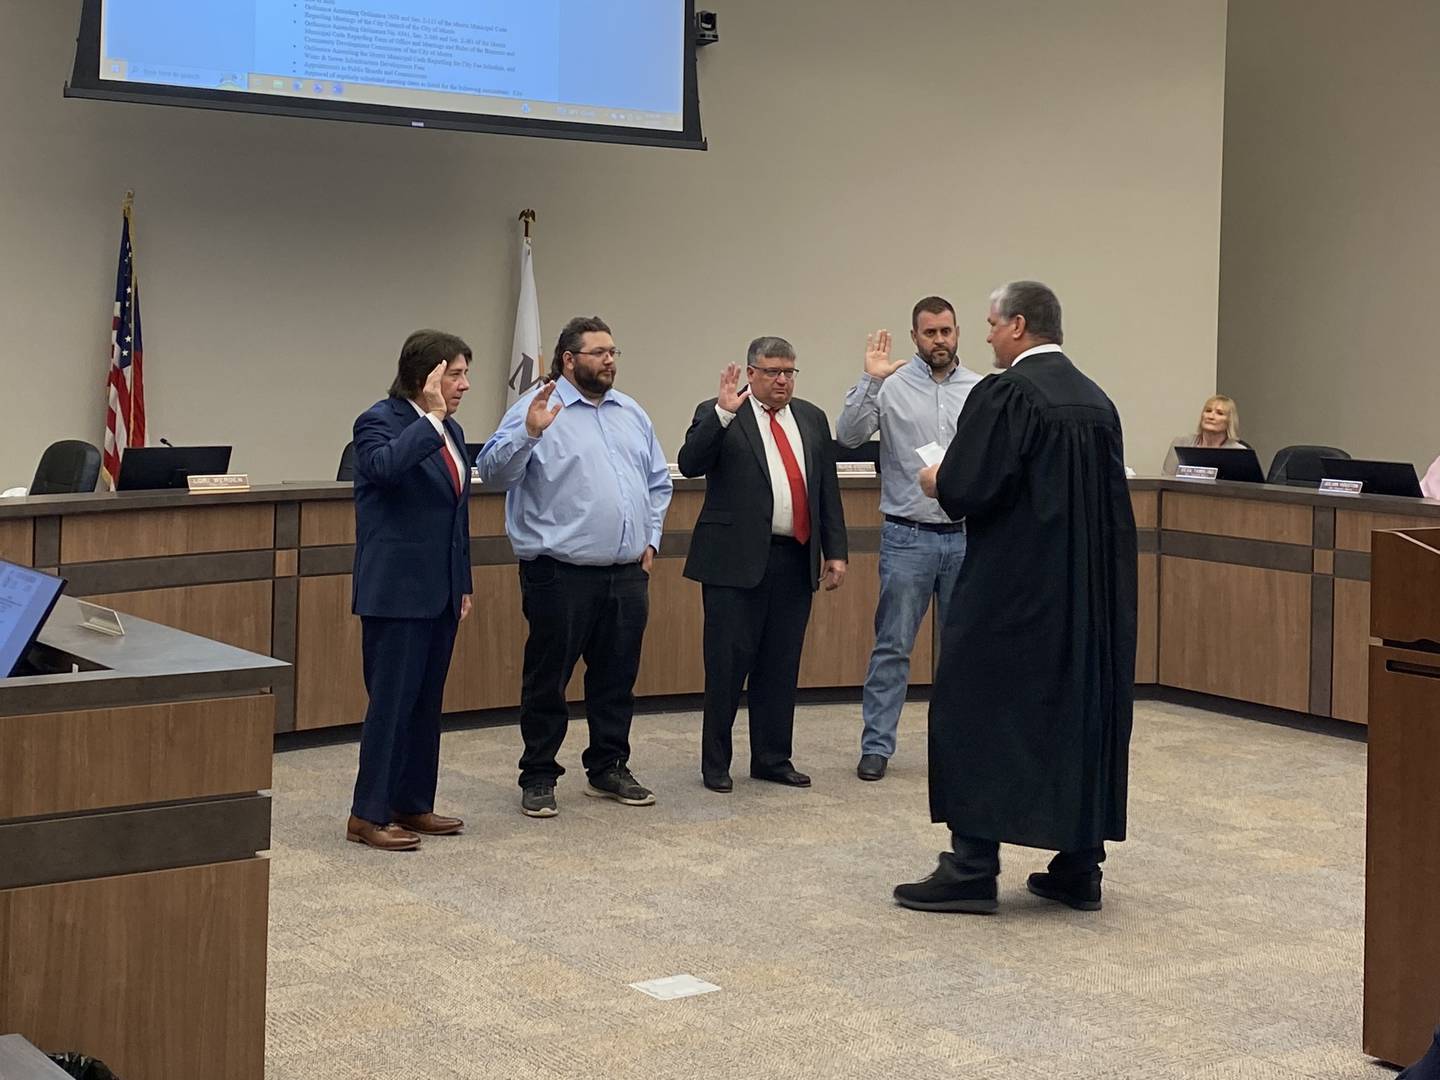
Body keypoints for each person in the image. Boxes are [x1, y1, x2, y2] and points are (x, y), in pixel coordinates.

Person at [894, 281, 1137, 914]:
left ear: (1019, 326)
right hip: (1087, 598)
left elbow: (970, 487)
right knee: (1077, 710)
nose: (986, 336)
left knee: (976, 708)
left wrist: (934, 477)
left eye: (992, 325)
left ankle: (971, 868)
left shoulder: (1004, 394)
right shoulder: (1096, 401)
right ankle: (1080, 866)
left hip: (1012, 591)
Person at [476, 315, 672, 818]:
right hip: (558, 572)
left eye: (613, 351)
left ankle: (608, 767)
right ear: (568, 359)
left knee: (616, 678)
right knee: (548, 679)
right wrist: (529, 433)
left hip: (627, 572)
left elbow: (657, 482)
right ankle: (538, 774)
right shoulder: (536, 409)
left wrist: (650, 538)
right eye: (598, 352)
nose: (609, 360)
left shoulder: (631, 412)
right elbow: (493, 473)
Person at [678, 337, 848, 793]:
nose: (782, 381)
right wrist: (721, 414)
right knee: (727, 665)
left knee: (781, 663)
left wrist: (836, 552)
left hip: (794, 557)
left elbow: (825, 490)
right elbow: (691, 463)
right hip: (733, 563)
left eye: (790, 372)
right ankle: (716, 763)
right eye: (773, 372)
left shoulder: (811, 417)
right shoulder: (722, 412)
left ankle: (773, 758)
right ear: (750, 373)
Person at [836, 296, 981, 781]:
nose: (939, 340)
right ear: (915, 336)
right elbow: (850, 435)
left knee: (963, 650)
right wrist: (871, 379)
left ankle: (961, 746)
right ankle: (877, 746)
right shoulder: (891, 385)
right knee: (893, 645)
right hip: (907, 537)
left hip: (966, 538)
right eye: (930, 333)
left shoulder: (979, 389)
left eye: (946, 331)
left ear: (957, 332)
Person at [346, 330, 475, 852]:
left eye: (466, 374)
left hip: (440, 591)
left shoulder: (455, 431)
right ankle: (367, 814)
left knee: (426, 704)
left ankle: (412, 803)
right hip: (396, 593)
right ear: (427, 376)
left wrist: (462, 582)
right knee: (392, 704)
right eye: (456, 373)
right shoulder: (379, 421)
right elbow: (383, 469)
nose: (465, 384)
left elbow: (455, 514)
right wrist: (434, 420)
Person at [1161, 395, 1244, 474]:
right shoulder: (1180, 443)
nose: (1211, 416)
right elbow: (1166, 481)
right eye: (1208, 411)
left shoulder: (1239, 452)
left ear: (1229, 421)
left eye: (1219, 413)